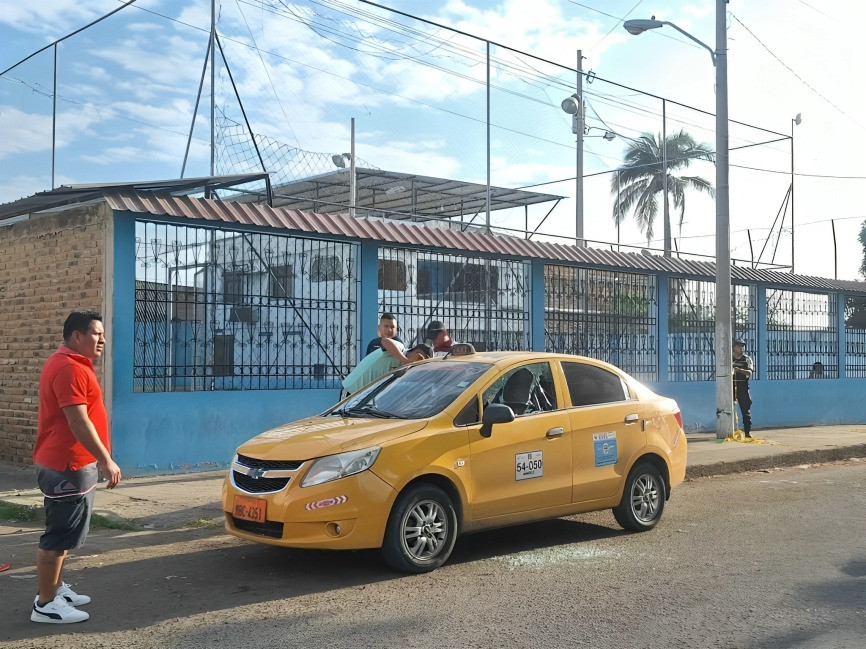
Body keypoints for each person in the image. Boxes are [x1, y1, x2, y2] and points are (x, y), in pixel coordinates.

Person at [30, 311, 122, 624]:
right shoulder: (68, 367)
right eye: (96, 334)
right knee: (57, 536)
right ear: (76, 336)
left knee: (67, 533)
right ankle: (45, 604)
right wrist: (106, 459)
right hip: (65, 463)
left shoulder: (72, 363)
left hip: (71, 462)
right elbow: (77, 420)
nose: (102, 340)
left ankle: (54, 589)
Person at [342, 341, 432, 395]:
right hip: (352, 391)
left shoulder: (406, 369)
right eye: (421, 359)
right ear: (416, 352)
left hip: (364, 396)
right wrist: (405, 360)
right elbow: (385, 341)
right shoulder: (400, 348)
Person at [732, 339, 754, 438]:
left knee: (746, 411)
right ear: (734, 347)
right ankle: (730, 432)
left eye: (743, 346)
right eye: (739, 346)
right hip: (730, 388)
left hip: (743, 388)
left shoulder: (747, 359)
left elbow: (749, 373)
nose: (742, 348)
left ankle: (747, 432)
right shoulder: (729, 359)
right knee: (728, 411)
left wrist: (739, 370)